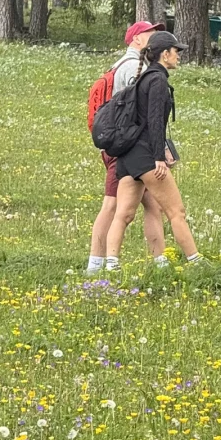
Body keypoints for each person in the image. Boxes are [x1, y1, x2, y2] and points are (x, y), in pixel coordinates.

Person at [105, 32, 202, 270]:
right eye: (176, 51)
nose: (178, 56)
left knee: (124, 214)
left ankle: (111, 265)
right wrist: (160, 158)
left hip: (128, 157)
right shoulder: (157, 80)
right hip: (147, 156)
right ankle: (198, 264)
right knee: (176, 211)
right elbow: (155, 122)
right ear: (164, 54)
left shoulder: (143, 77)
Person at [86, 21, 167, 274]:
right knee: (113, 205)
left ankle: (160, 263)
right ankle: (97, 265)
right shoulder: (133, 67)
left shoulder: (121, 65)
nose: (154, 38)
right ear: (136, 40)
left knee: (154, 204)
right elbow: (143, 110)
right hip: (128, 149)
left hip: (129, 146)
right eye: (150, 34)